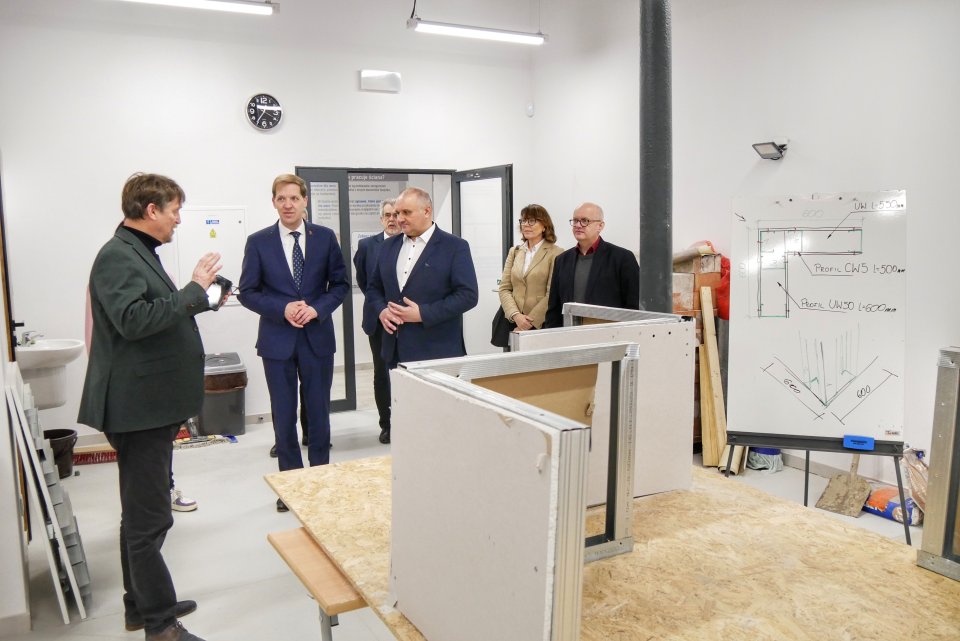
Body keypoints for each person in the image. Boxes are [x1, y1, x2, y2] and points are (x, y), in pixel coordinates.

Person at [78, 173, 221, 641]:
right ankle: (161, 626)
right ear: (151, 209)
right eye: (175, 210)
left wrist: (201, 298)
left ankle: (139, 606)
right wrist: (193, 290)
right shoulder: (117, 255)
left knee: (139, 516)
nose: (178, 219)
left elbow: (155, 314)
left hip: (148, 407)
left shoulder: (137, 251)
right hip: (136, 409)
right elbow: (133, 321)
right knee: (150, 520)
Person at [238, 174, 349, 512]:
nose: (288, 205)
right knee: (284, 415)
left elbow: (340, 285)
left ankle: (320, 480)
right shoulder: (259, 242)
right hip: (277, 341)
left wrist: (316, 309)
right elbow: (248, 292)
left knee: (318, 413)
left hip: (317, 339)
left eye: (294, 198)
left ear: (305, 201)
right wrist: (282, 308)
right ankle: (292, 486)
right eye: (281, 199)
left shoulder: (325, 238)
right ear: (273, 202)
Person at [367, 187, 479, 369]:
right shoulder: (387, 246)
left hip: (437, 351)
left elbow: (468, 296)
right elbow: (374, 288)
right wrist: (382, 311)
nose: (399, 219)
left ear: (427, 211)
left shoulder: (454, 247)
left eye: (406, 212)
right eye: (397, 213)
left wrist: (423, 314)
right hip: (393, 351)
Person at [543, 202, 640, 328]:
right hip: (569, 334)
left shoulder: (622, 258)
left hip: (608, 334)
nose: (578, 225)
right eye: (575, 220)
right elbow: (554, 309)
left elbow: (633, 306)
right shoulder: (562, 260)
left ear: (600, 226)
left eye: (585, 221)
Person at [353, 198, 401, 444]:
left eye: (396, 215)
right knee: (382, 373)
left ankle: (408, 421)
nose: (392, 219)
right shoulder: (367, 246)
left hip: (407, 320)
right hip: (379, 320)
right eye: (387, 215)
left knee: (405, 373)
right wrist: (381, 306)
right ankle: (387, 424)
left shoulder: (410, 244)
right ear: (381, 219)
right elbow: (364, 281)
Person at [498, 204, 564, 335]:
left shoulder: (556, 253)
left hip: (541, 323)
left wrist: (527, 323)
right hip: (513, 321)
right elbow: (504, 288)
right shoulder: (515, 251)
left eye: (532, 220)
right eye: (523, 220)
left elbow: (552, 294)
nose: (526, 225)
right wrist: (516, 315)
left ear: (544, 226)